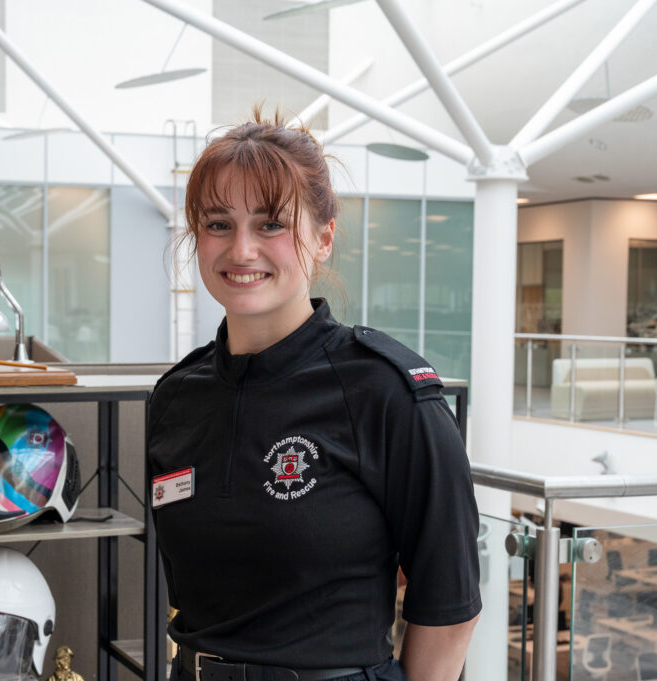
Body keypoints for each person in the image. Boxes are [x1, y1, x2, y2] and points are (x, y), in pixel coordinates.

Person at [147, 110, 481, 681]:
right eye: (218, 224)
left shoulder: (386, 392)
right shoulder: (176, 398)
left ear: (323, 237)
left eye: (271, 224)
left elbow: (449, 610)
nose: (242, 250)